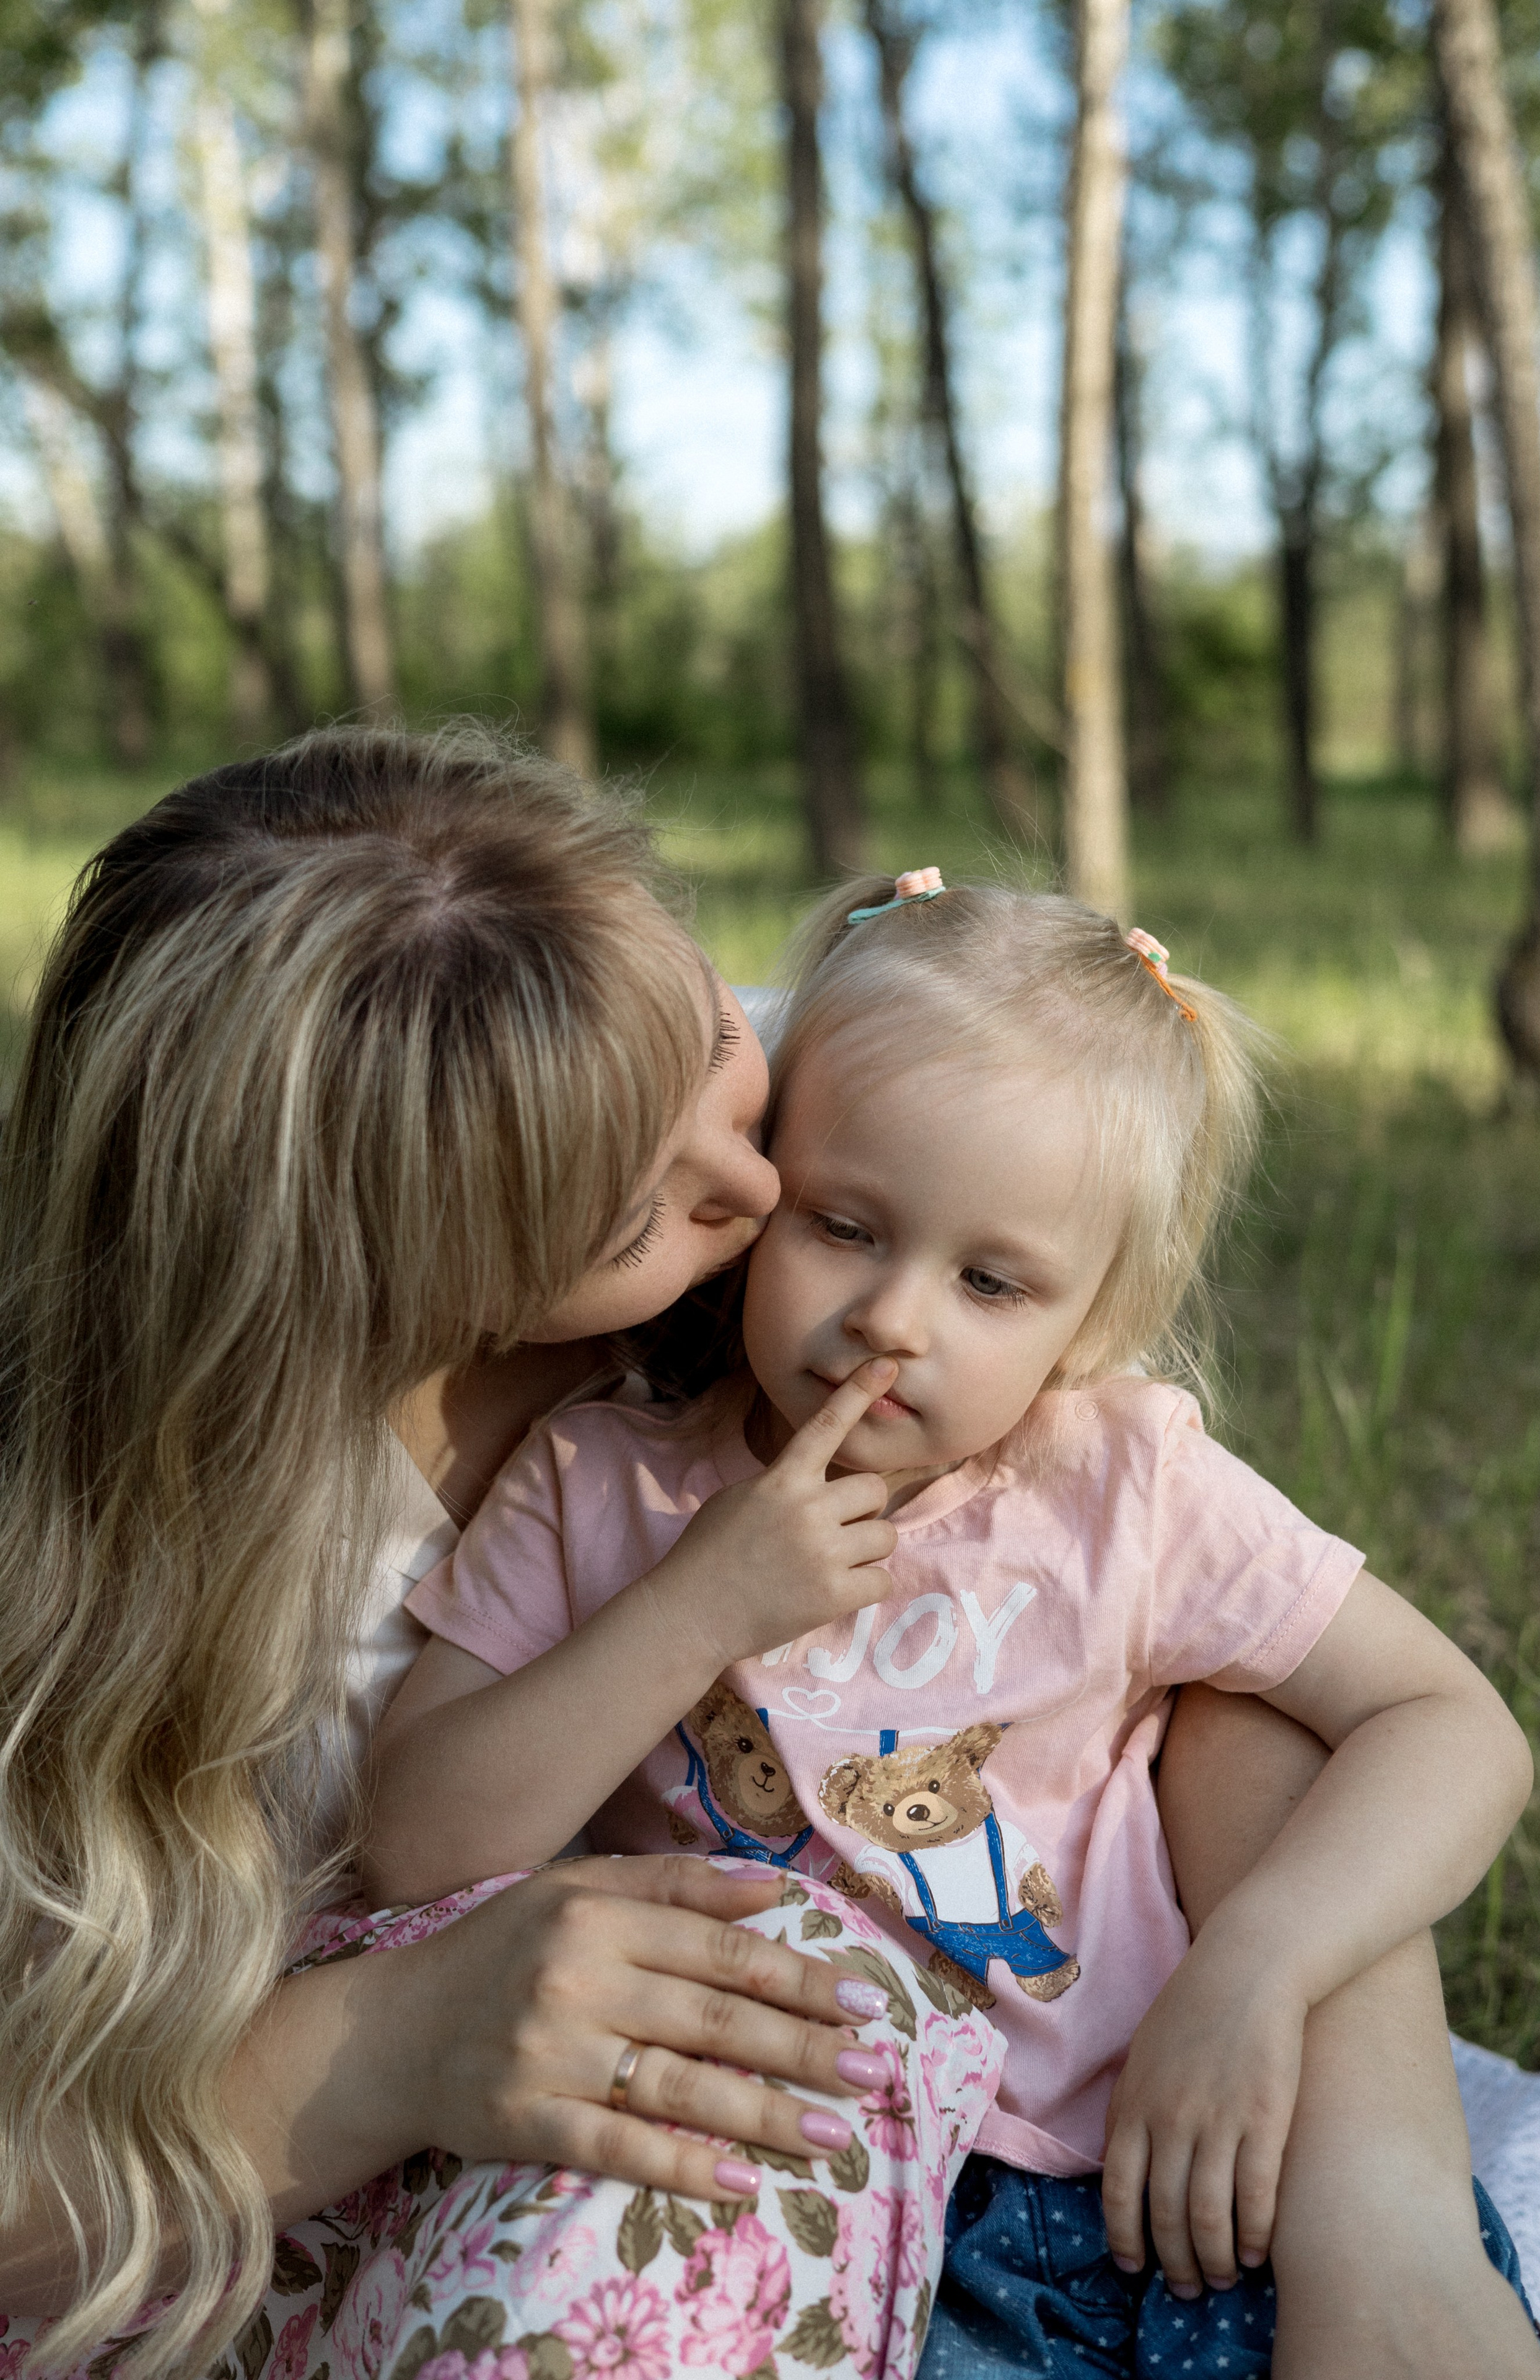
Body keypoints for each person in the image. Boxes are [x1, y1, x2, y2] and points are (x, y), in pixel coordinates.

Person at [372, 870, 1540, 2379]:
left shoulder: (1118, 1480)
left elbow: (1453, 1729)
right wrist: (697, 1607)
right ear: (759, 1189)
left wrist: (1253, 1965)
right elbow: (418, 1838)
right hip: (828, 2211)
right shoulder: (605, 1482)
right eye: (844, 1226)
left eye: (990, 1280)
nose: (893, 1319)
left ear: (1092, 1317)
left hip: (1166, 2176)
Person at [0, 741, 1005, 2380]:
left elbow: (1202, 1612)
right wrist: (386, 2043)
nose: (763, 1193)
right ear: (370, 1281)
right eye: (633, 1231)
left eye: (716, 1040)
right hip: (237, 2197)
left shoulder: (758, 1119)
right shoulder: (149, 1565)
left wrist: (1378, 2186)